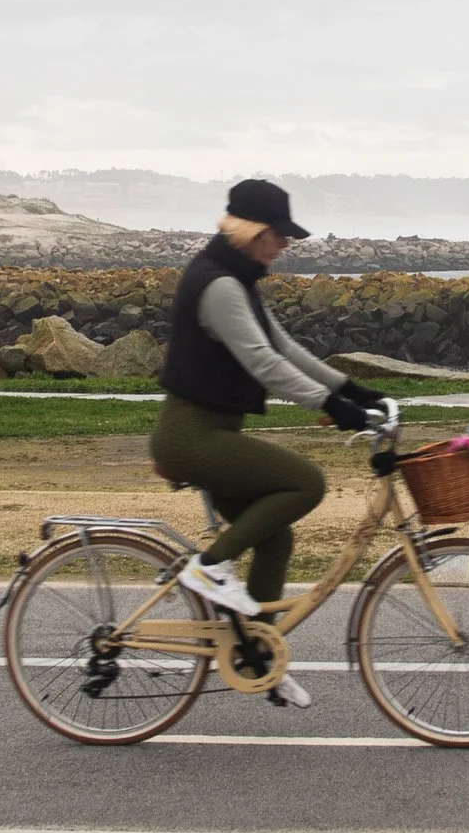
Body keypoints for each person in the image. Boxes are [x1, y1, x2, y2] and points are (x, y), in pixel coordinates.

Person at [148, 178, 397, 709]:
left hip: (212, 433)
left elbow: (283, 347)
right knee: (305, 483)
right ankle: (210, 567)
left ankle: (257, 652)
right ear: (251, 231)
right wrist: (332, 406)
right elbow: (263, 364)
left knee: (276, 538)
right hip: (191, 437)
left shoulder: (236, 279)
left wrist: (351, 390)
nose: (285, 245)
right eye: (279, 235)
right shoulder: (218, 285)